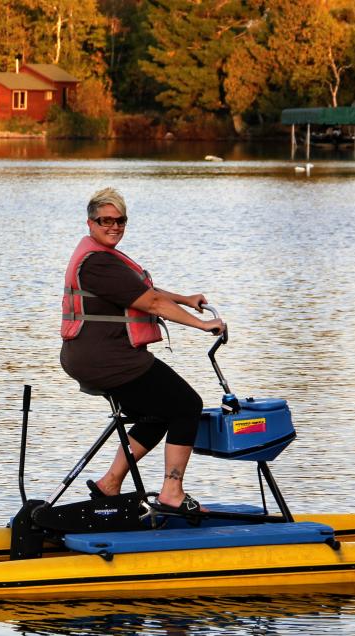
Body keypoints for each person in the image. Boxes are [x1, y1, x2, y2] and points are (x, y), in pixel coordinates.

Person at [60, 187, 224, 514]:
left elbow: (144, 291)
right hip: (106, 359)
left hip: (98, 356)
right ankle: (172, 492)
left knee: (158, 412)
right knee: (186, 404)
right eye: (105, 220)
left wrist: (185, 298)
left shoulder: (100, 257)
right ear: (90, 223)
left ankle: (109, 484)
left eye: (120, 220)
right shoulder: (97, 264)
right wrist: (201, 324)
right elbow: (150, 302)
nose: (114, 226)